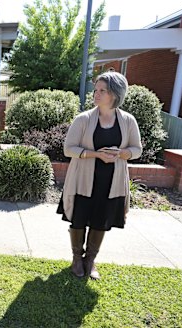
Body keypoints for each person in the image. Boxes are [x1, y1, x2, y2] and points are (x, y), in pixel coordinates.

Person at [57, 72, 142, 280]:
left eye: (102, 90)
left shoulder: (128, 121)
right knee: (79, 218)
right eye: (96, 89)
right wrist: (96, 154)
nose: (96, 94)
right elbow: (69, 149)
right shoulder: (83, 119)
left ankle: (90, 260)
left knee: (101, 220)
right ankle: (77, 258)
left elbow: (137, 149)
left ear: (115, 94)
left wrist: (121, 154)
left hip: (111, 181)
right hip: (83, 179)